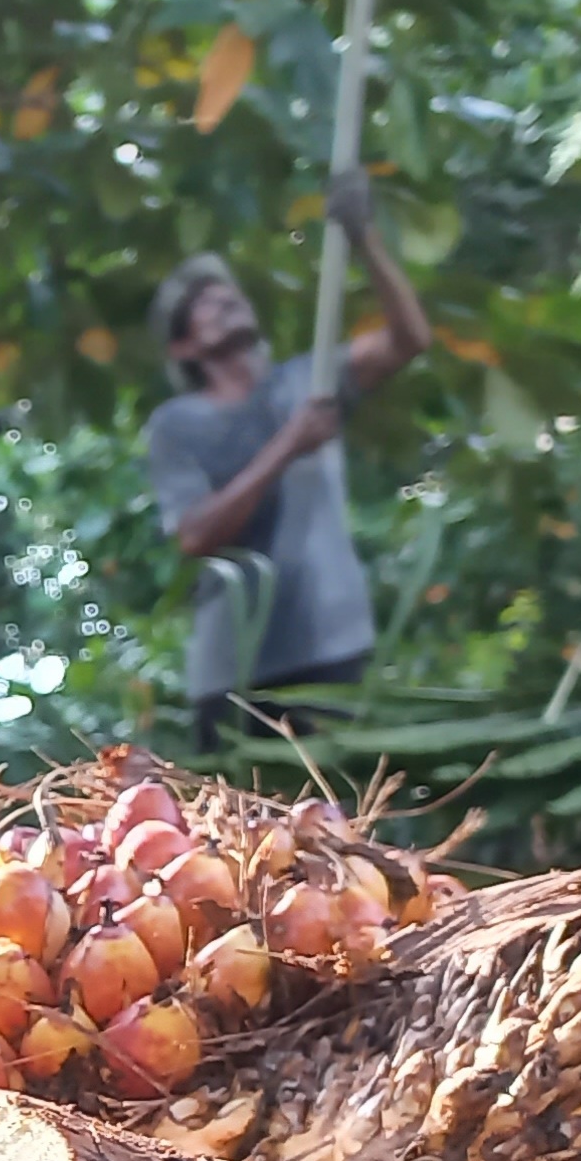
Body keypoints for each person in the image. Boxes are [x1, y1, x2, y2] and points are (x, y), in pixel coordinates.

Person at [145, 172, 432, 749]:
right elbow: (195, 534)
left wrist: (363, 237)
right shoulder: (177, 424)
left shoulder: (310, 379)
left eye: (227, 293)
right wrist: (286, 447)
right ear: (183, 347)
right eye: (202, 305)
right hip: (235, 664)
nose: (222, 300)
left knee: (330, 825)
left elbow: (409, 339)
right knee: (233, 831)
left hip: (330, 641)